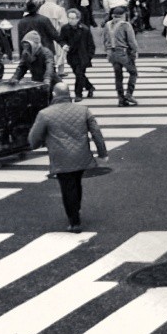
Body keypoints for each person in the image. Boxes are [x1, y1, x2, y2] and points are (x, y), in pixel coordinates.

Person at [28, 88, 109, 233]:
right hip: (81, 154)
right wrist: (102, 153)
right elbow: (96, 132)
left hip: (60, 157)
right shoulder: (83, 110)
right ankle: (76, 208)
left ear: (54, 95)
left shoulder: (45, 113)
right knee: (76, 182)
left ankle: (74, 221)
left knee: (67, 187)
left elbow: (34, 138)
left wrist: (36, 145)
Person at [105, 6, 140, 106]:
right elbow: (131, 41)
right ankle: (129, 94)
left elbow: (104, 39)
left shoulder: (107, 25)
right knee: (133, 73)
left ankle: (121, 98)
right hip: (123, 53)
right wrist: (135, 51)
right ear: (123, 15)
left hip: (112, 53)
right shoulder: (125, 25)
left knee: (118, 76)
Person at [60, 8, 97, 100]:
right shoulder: (65, 28)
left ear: (78, 19)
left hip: (82, 56)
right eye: (69, 18)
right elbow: (61, 39)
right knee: (78, 74)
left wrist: (89, 56)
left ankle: (78, 94)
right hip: (71, 55)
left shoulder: (84, 29)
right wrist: (64, 45)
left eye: (73, 18)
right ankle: (89, 87)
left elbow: (91, 44)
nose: (71, 20)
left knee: (79, 74)